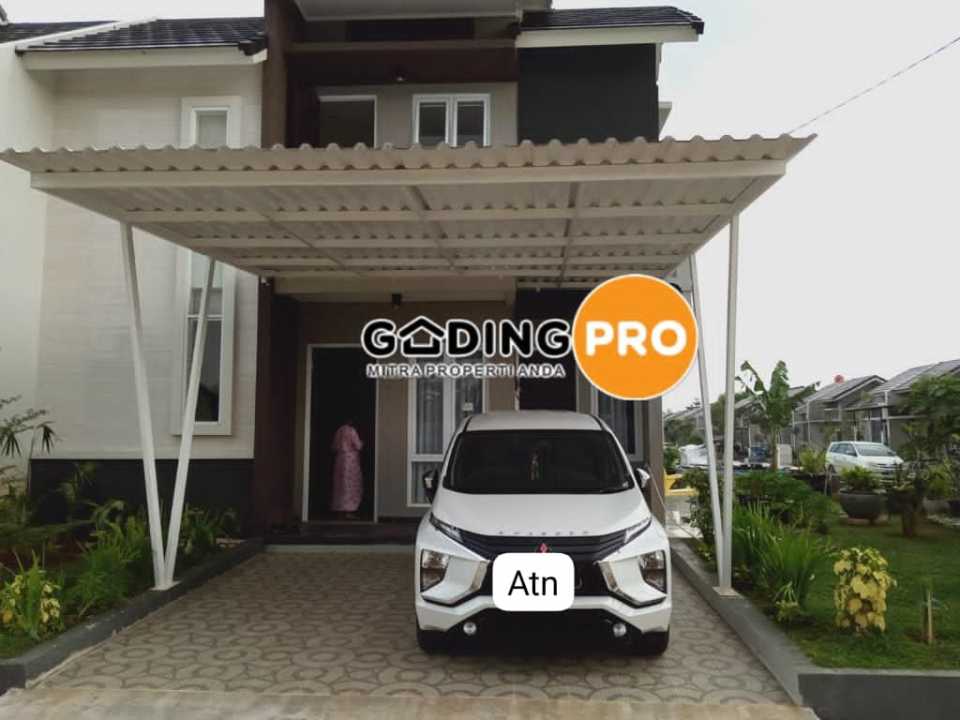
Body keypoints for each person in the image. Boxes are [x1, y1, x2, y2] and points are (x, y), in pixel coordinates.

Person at [331, 418, 363, 519]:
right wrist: (362, 443)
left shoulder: (339, 431)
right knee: (350, 485)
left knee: (340, 485)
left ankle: (339, 511)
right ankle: (349, 511)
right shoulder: (352, 431)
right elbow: (358, 446)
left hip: (340, 460)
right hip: (350, 461)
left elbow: (334, 446)